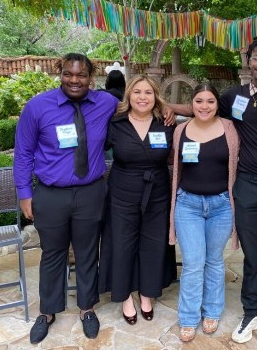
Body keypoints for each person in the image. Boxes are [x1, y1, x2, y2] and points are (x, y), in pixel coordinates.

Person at [166, 37, 257, 350]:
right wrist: (166, 107)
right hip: (246, 186)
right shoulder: (234, 95)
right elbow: (200, 107)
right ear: (249, 62)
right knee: (251, 257)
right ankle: (252, 312)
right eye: (255, 57)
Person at [13, 53, 119, 344]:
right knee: (52, 254)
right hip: (50, 195)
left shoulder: (106, 103)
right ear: (60, 73)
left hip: (90, 192)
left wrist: (170, 110)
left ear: (91, 76)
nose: (75, 80)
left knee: (87, 252)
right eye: (69, 74)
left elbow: (140, 105)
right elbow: (22, 153)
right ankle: (47, 312)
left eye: (81, 75)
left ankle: (87, 308)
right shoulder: (37, 107)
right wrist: (25, 194)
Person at [98, 74, 177, 325]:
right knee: (122, 243)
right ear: (128, 96)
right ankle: (125, 297)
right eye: (137, 92)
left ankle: (147, 292)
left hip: (157, 191)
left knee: (153, 243)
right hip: (122, 191)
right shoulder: (115, 123)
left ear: (156, 97)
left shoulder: (166, 123)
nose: (143, 97)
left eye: (148, 93)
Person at [168, 83, 240, 342]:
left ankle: (212, 311)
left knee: (214, 261)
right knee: (193, 263)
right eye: (199, 101)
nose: (205, 106)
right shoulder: (179, 131)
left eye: (210, 101)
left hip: (221, 205)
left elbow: (256, 146)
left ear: (217, 104)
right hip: (188, 205)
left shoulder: (231, 129)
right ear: (192, 104)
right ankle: (188, 317)